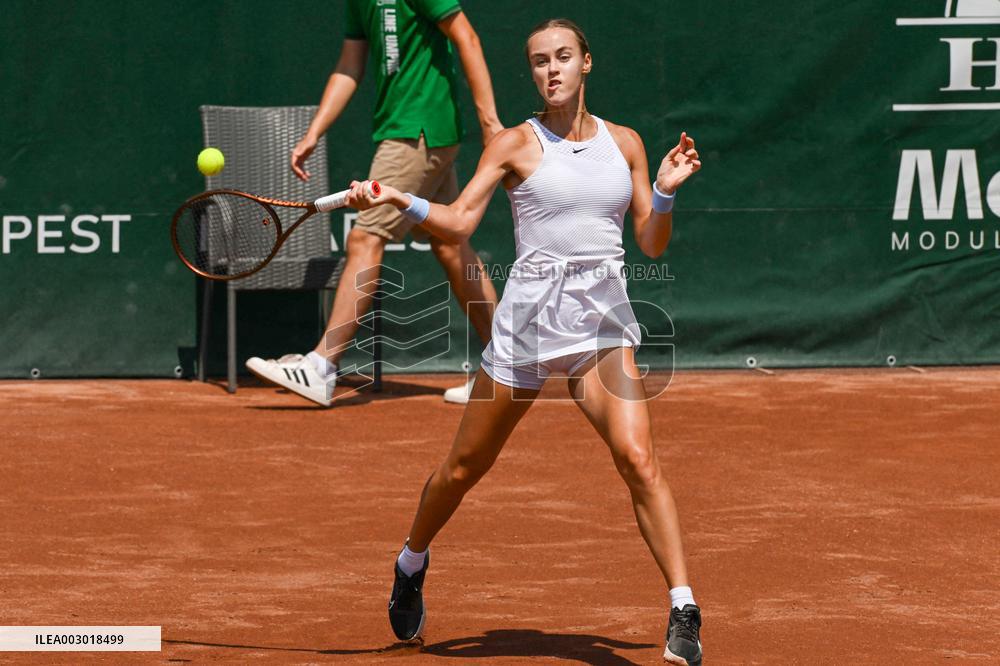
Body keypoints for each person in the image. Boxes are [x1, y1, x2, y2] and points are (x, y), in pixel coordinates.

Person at [346, 18, 704, 666]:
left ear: (587, 63)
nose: (552, 70)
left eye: (564, 57)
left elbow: (650, 241)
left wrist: (664, 194)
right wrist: (403, 197)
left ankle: (683, 607)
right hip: (528, 332)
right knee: (463, 469)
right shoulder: (513, 144)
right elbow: (457, 221)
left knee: (638, 459)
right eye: (540, 62)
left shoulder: (624, 144)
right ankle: (411, 559)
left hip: (599, 329)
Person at [246, 0, 502, 407]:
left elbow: (467, 37)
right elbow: (350, 66)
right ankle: (508, 366)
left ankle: (321, 367)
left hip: (415, 130)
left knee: (365, 237)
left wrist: (491, 126)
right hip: (417, 130)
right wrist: (315, 132)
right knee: (452, 246)